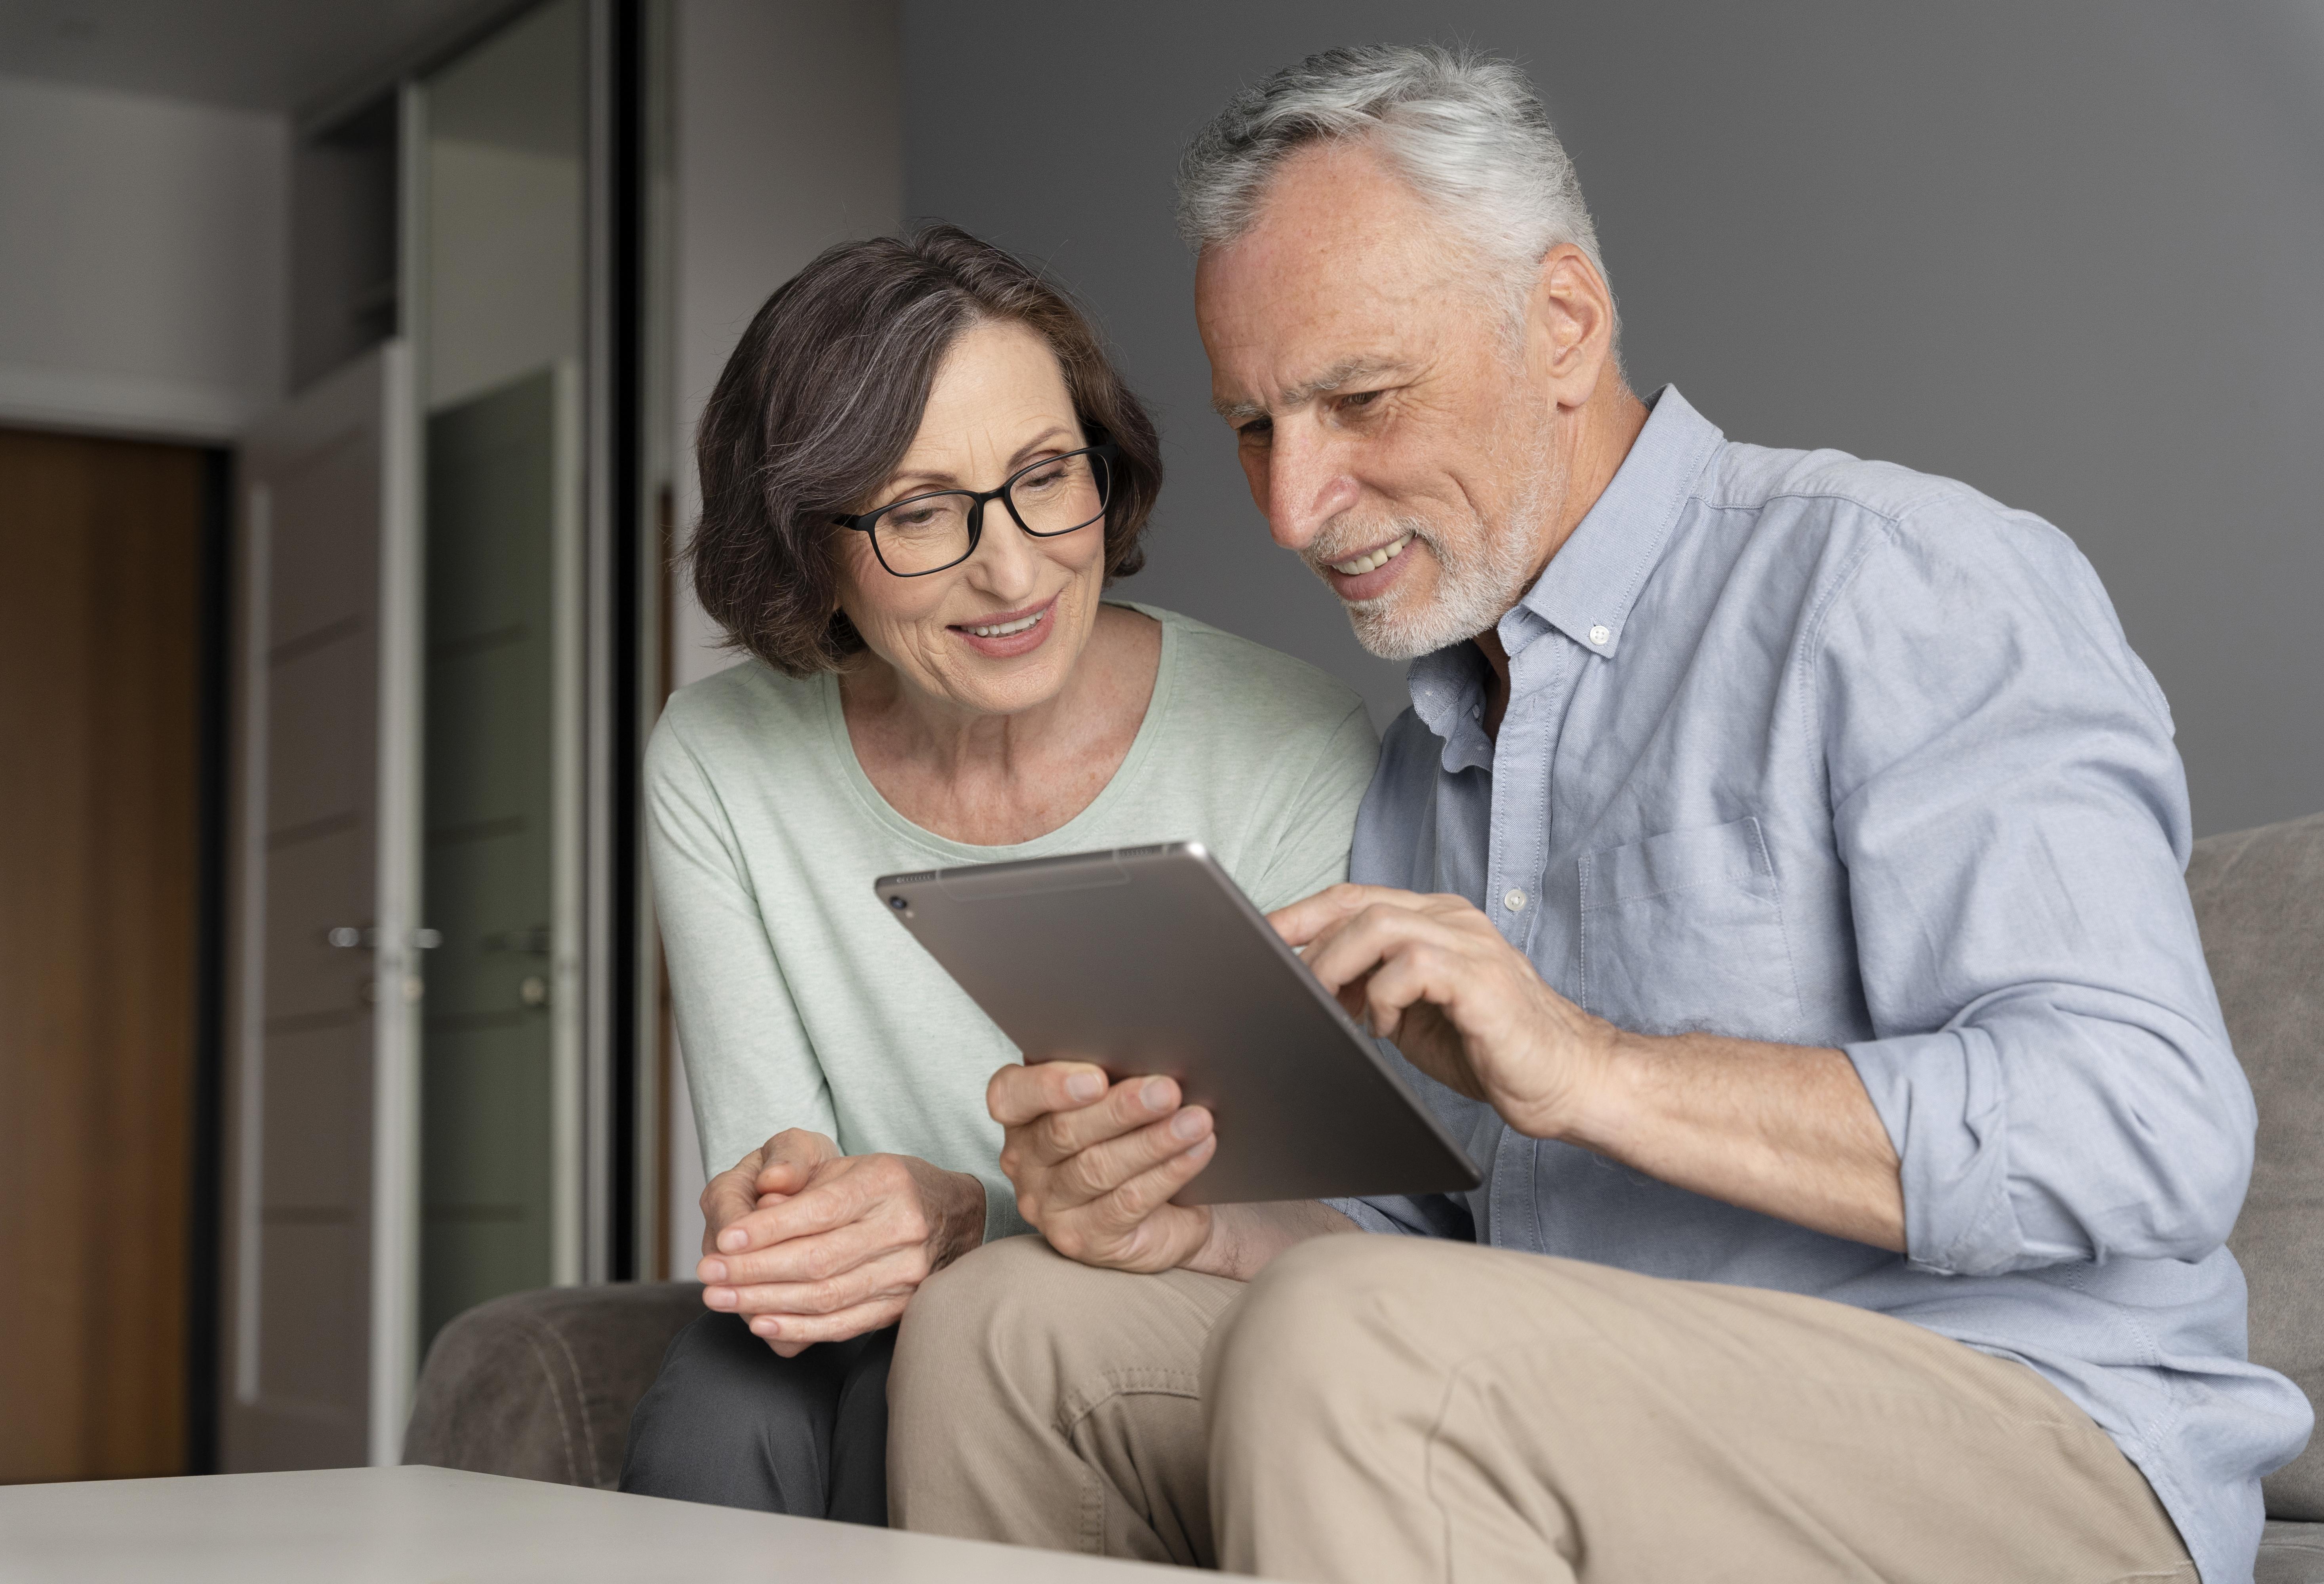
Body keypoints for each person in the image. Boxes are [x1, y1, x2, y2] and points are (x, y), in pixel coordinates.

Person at [883, 46, 2313, 1584]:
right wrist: (1193, 1226)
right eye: (1255, 427)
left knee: (1369, 1349)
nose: (1296, 507)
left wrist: (1597, 1069)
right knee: (1006, 1326)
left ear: (1563, 323)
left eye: (1359, 398)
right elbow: (1431, 1258)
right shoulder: (1434, 752)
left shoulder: (1896, 583)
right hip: (1618, 1412)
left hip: (2042, 1447)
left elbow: (2146, 1130)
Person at [617, 224, 1378, 1523]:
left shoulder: (1284, 744)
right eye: (919, 512)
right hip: (866, 1332)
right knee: (737, 1375)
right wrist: (788, 1208)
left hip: (1162, 1308)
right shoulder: (721, 755)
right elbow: (778, 1185)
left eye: (1043, 477)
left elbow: (1322, 1218)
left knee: (931, 1363)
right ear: (810, 544)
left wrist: (967, 1218)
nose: (1013, 568)